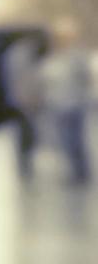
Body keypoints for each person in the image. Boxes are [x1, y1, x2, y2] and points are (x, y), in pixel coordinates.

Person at [38, 16, 92, 185]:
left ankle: (81, 171)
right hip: (58, 104)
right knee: (64, 140)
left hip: (74, 103)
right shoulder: (52, 57)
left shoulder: (77, 56)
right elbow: (45, 80)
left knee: (75, 139)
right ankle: (74, 171)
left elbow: (85, 78)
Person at [2, 31, 44, 180]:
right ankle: (25, 162)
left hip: (19, 100)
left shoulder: (12, 55)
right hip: (23, 101)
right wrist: (30, 100)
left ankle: (25, 161)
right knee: (26, 132)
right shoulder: (21, 57)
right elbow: (24, 81)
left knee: (24, 132)